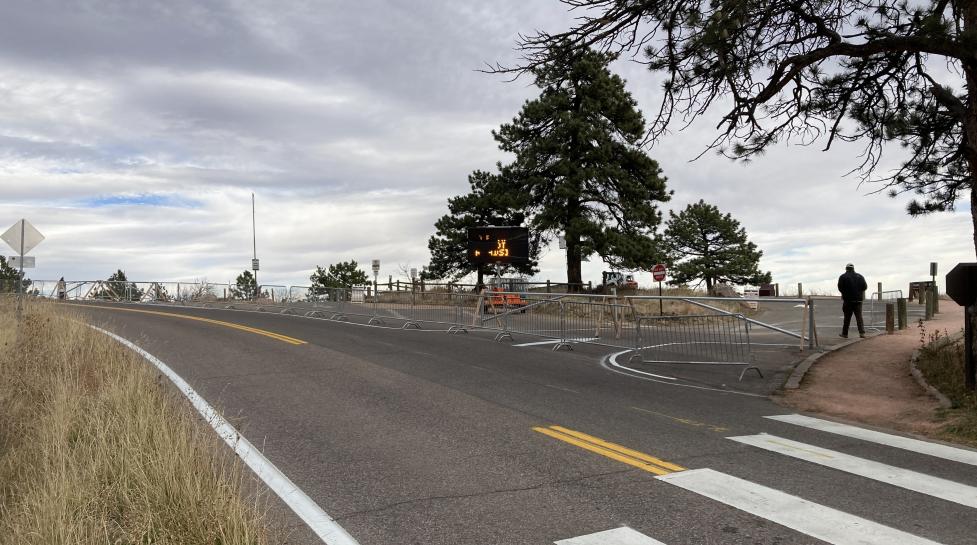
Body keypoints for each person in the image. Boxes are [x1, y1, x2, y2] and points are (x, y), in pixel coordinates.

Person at [837, 263, 867, 338]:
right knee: (859, 317)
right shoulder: (860, 276)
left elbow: (840, 287)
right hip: (858, 300)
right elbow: (865, 287)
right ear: (853, 268)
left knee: (847, 317)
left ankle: (845, 333)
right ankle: (862, 333)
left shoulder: (843, 277)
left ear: (846, 268)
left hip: (848, 300)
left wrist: (845, 293)